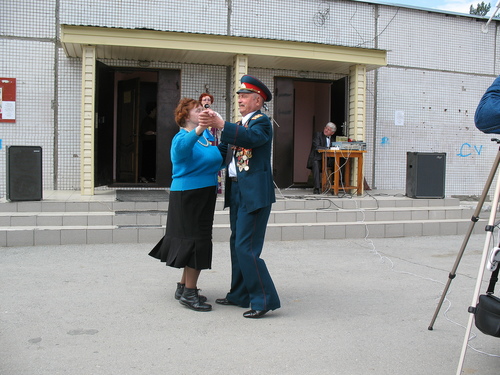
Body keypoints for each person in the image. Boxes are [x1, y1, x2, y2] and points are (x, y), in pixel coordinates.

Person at [199, 75, 280, 319]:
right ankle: (239, 294)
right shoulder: (238, 124)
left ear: (258, 101)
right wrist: (196, 146)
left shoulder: (261, 122)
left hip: (254, 194)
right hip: (237, 192)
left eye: (245, 96)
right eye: (239, 96)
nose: (240, 100)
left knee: (247, 248)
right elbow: (223, 151)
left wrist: (223, 125)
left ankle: (264, 299)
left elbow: (252, 140)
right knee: (237, 246)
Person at [149, 98, 224, 312]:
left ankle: (183, 287)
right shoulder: (181, 137)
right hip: (188, 194)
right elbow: (181, 152)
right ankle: (190, 294)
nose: (202, 112)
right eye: (197, 110)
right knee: (196, 241)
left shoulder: (207, 137)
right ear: (185, 116)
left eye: (203, 109)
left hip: (204, 192)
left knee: (195, 239)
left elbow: (216, 160)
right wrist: (201, 127)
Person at [199, 93, 223, 193]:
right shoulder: (198, 114)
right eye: (204, 100)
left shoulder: (215, 114)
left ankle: (215, 186)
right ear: (200, 102)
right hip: (201, 142)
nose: (206, 102)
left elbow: (221, 127)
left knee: (214, 161)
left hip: (213, 142)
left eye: (208, 100)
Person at [307, 122, 337, 194]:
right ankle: (317, 188)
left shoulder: (333, 140)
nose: (326, 130)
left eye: (328, 129)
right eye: (326, 128)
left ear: (332, 133)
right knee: (315, 163)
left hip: (328, 161)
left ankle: (335, 186)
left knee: (339, 163)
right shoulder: (318, 135)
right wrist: (328, 148)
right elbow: (317, 146)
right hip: (318, 160)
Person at [140, 102, 157, 183]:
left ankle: (151, 176)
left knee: (152, 160)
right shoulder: (146, 120)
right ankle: (144, 177)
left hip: (153, 142)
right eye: (155, 110)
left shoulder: (153, 120)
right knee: (147, 159)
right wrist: (154, 133)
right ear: (151, 111)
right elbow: (144, 131)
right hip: (147, 142)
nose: (156, 112)